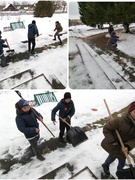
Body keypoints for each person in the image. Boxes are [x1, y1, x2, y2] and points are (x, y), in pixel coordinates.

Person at [101, 101, 135, 176]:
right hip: (114, 145)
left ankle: (120, 172)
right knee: (112, 157)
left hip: (124, 148)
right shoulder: (120, 120)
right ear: (130, 111)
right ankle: (105, 165)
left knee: (122, 161)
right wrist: (112, 140)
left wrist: (128, 146)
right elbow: (106, 129)